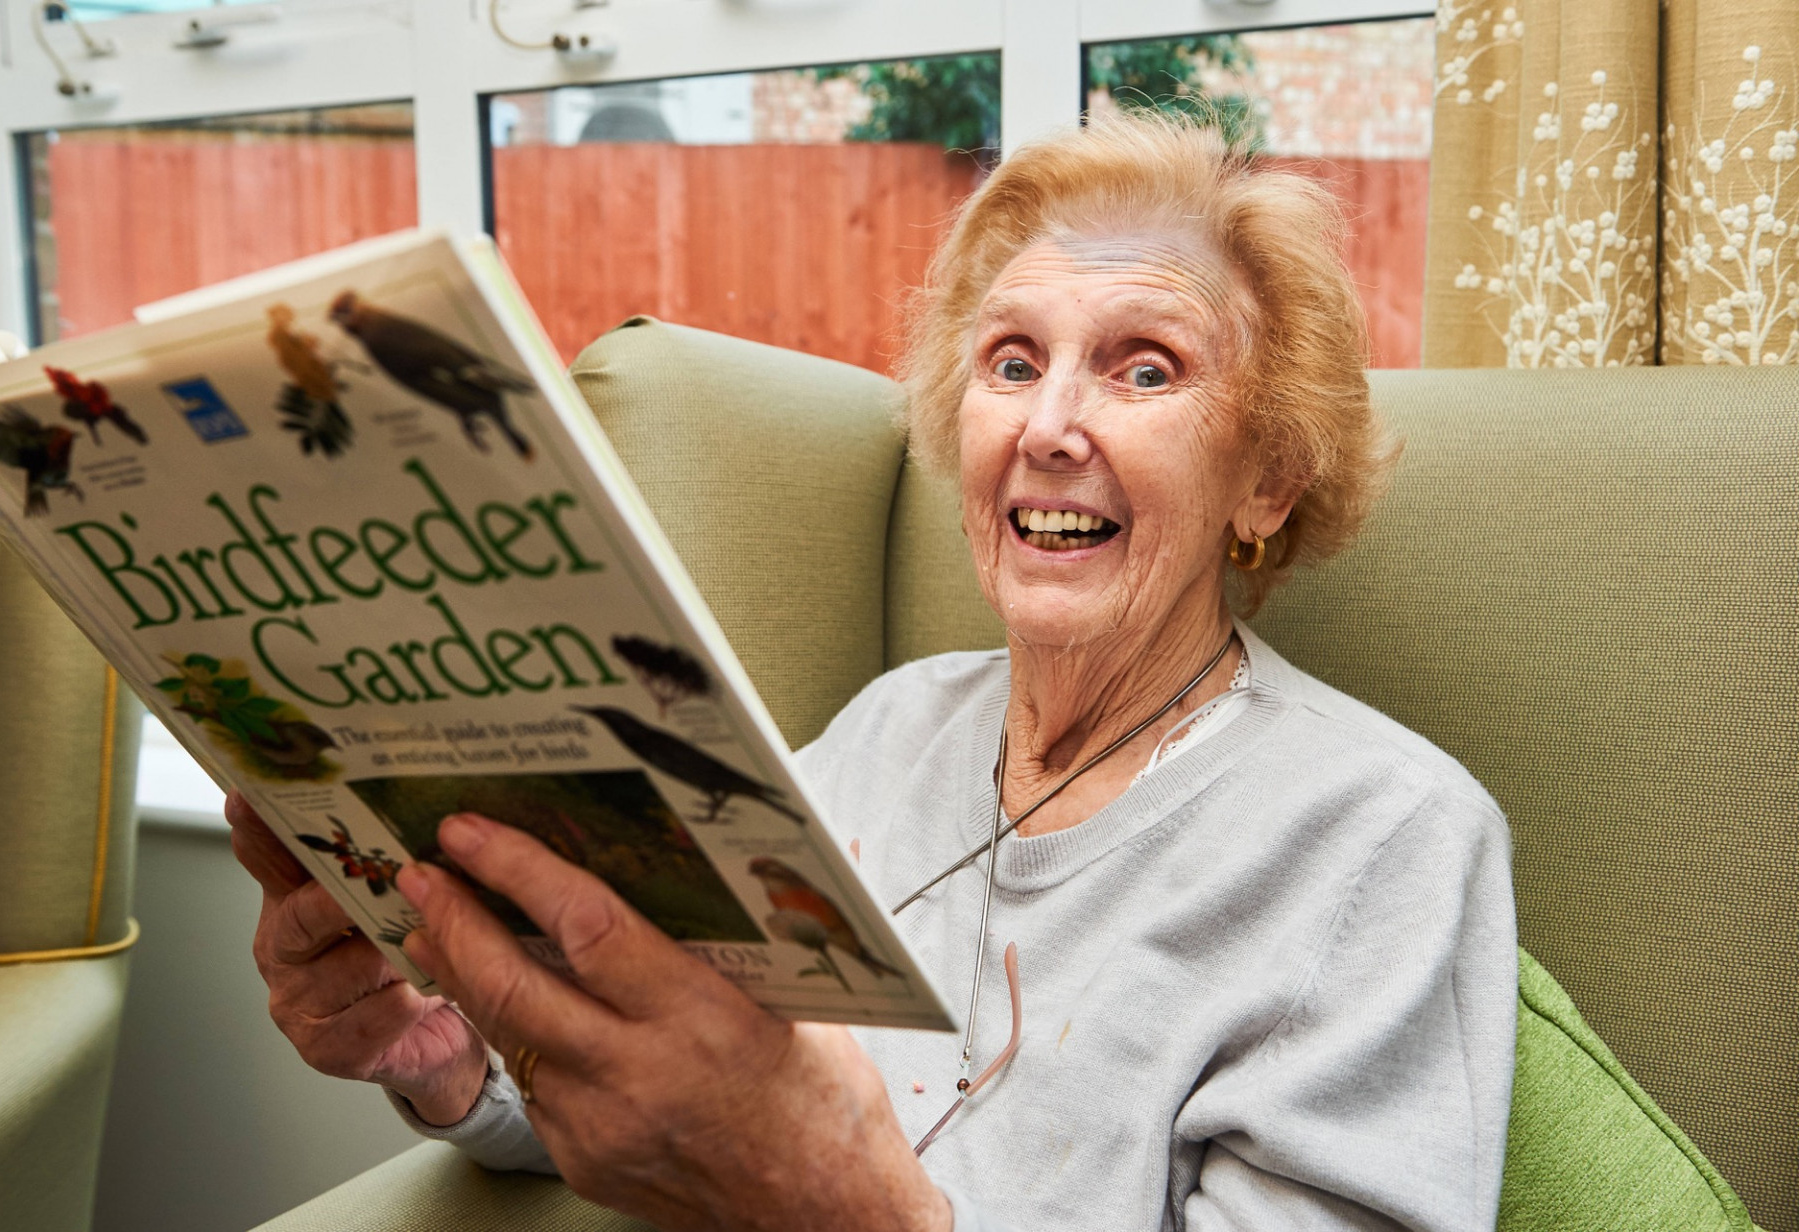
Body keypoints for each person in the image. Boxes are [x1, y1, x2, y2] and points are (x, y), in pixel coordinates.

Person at [227, 109, 1518, 1231]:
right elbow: (654, 1092)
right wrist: (443, 1049)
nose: (1050, 427)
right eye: (1011, 362)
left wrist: (851, 1209)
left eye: (1144, 368)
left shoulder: (1384, 837)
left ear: (1269, 476)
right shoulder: (888, 734)